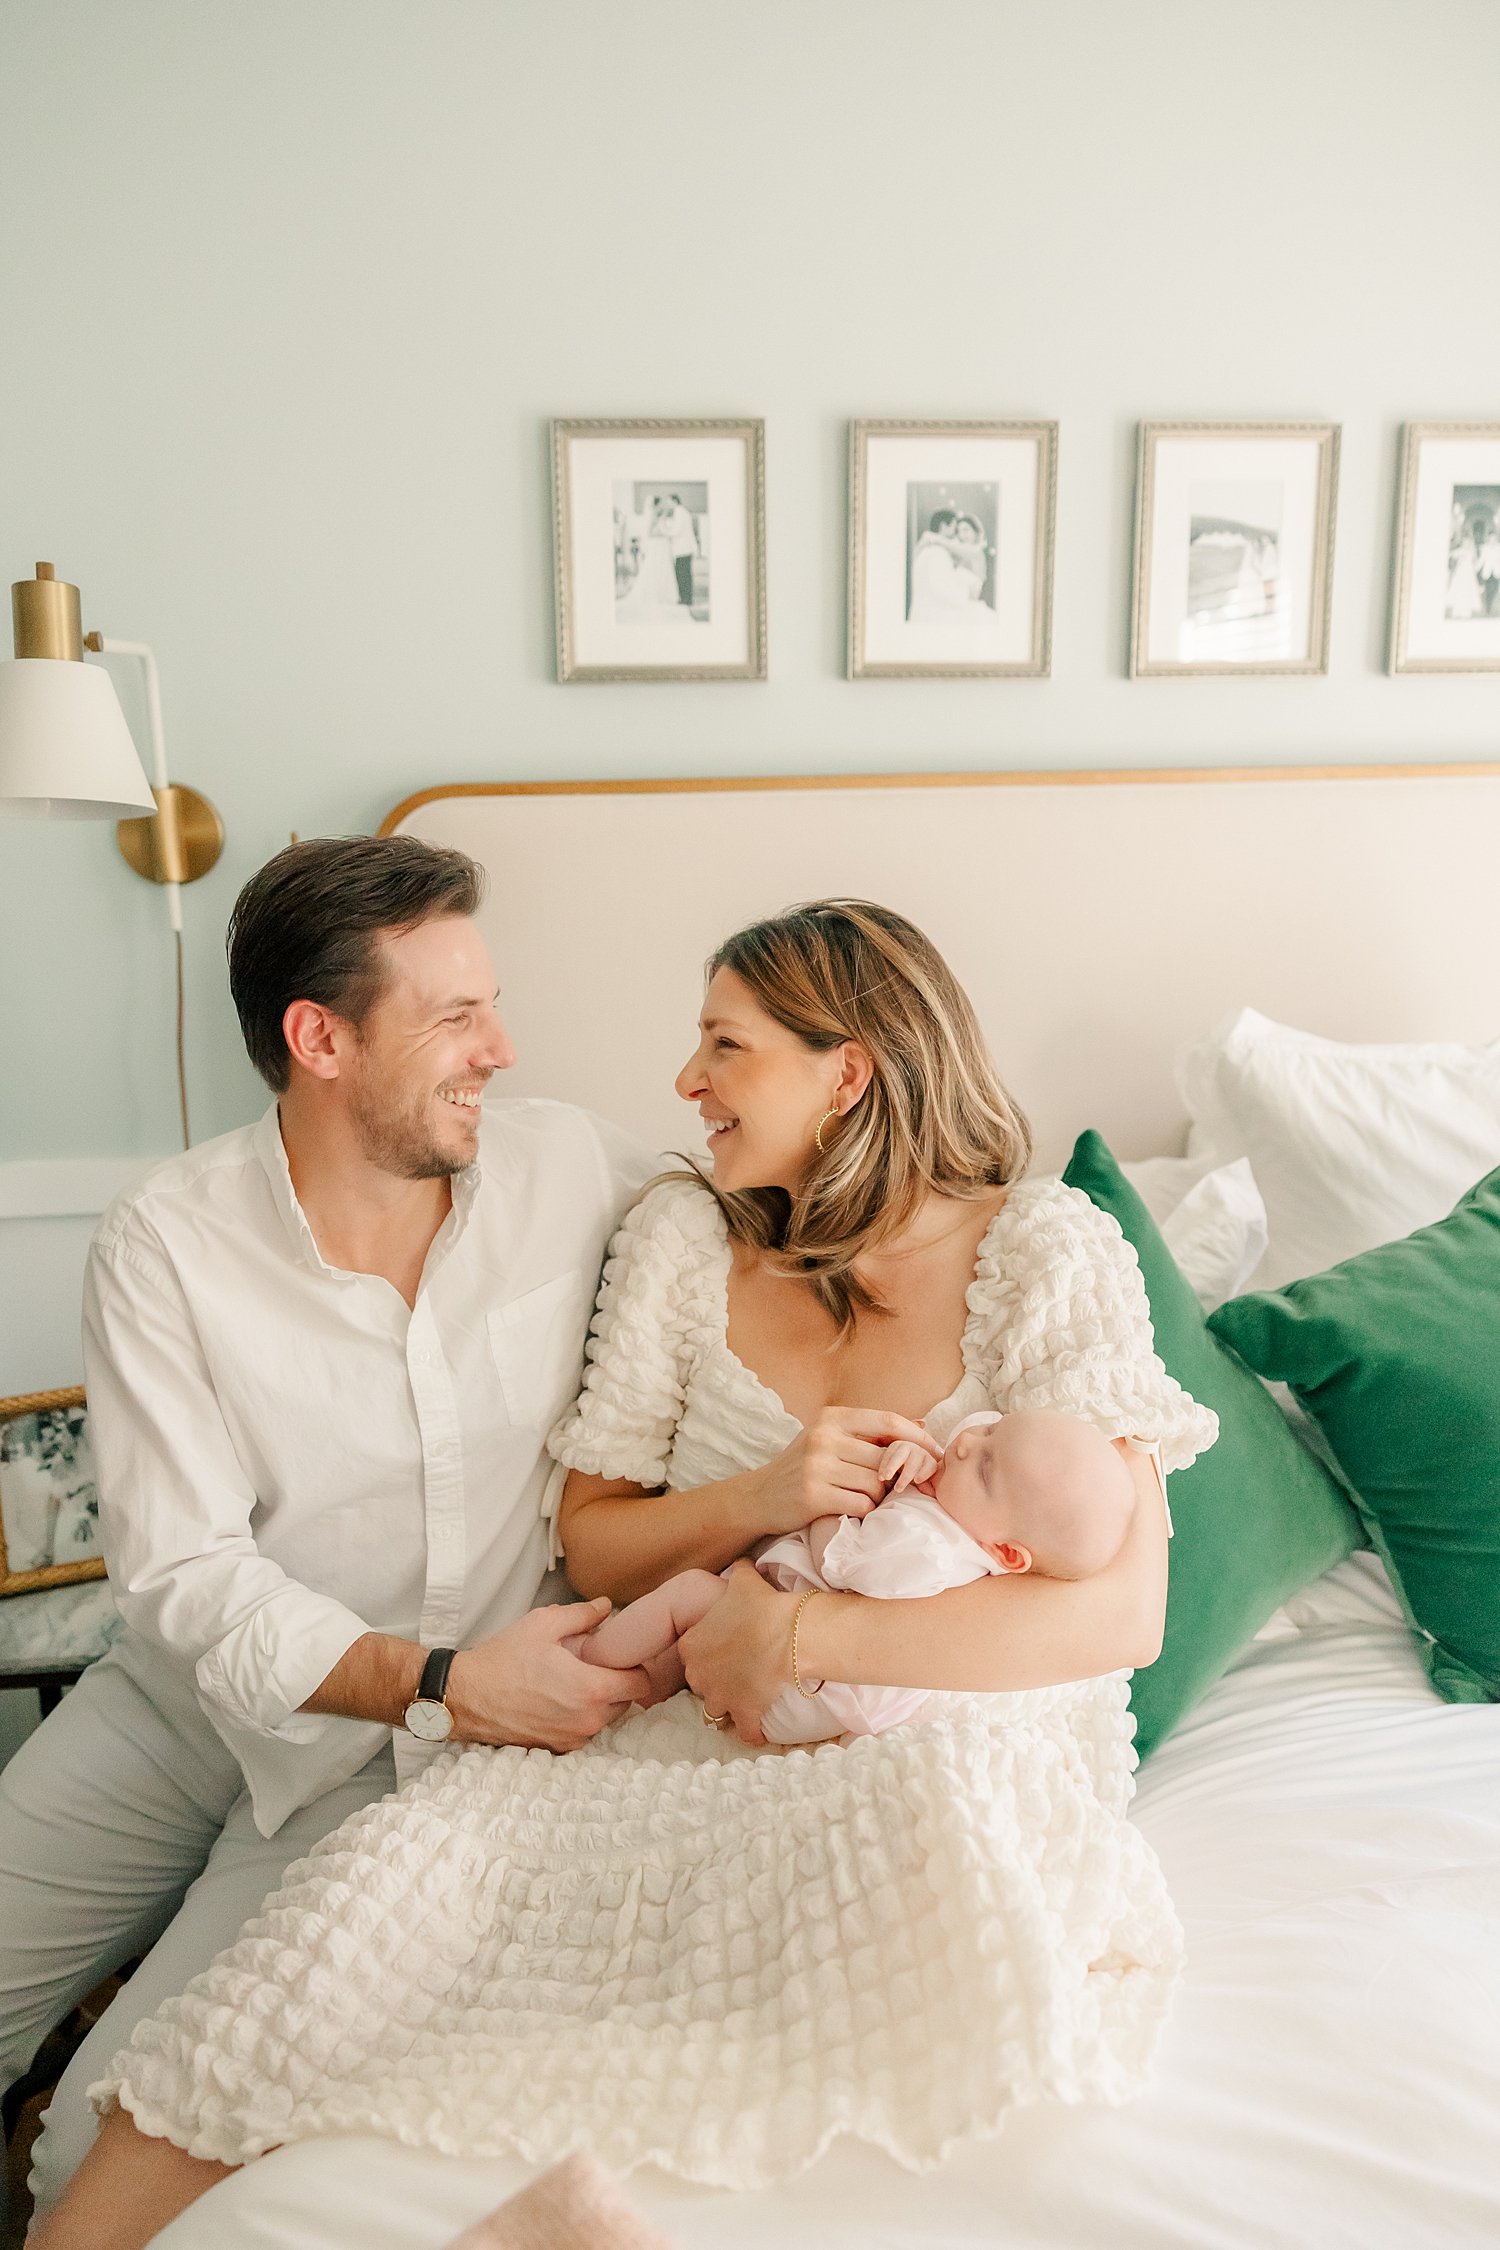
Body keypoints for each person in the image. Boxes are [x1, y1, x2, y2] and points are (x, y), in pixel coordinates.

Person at [42, 900, 1216, 2246]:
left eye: (726, 1043)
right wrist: (764, 1500)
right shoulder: (677, 1237)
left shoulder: (1046, 1249)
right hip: (619, 1708)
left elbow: (1125, 1607)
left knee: (908, 1879)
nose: (686, 1080)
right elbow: (591, 1538)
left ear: (849, 1070)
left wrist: (800, 1640)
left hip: (937, 1722)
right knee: (348, 1943)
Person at [1, 835, 659, 2228]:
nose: (504, 1044)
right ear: (321, 1038)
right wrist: (436, 1674)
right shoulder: (165, 1240)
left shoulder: (579, 1170)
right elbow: (185, 1573)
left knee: (86, 2162)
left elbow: (795, 1239)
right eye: (457, 1016)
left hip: (393, 1766)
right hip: (187, 1707)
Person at [567, 1406, 1144, 1741]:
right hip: (806, 1679)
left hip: (801, 1689)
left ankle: (587, 1665)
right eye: (992, 1428)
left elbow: (840, 1561)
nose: (965, 1442)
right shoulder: (970, 1520)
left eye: (987, 1464)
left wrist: (841, 1502)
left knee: (692, 1594)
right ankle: (635, 1688)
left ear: (1009, 1553)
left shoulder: (925, 1545)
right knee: (690, 1642)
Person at [663, 491, 701, 609]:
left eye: (669, 502)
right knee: (684, 574)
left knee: (682, 575)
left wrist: (665, 530)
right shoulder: (682, 511)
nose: (668, 505)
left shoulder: (679, 512)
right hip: (684, 548)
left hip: (682, 549)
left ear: (675, 501)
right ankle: (686, 598)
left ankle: (685, 599)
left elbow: (676, 530)